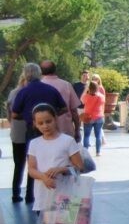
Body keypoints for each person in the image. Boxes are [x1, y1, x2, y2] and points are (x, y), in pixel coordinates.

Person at [26, 104, 84, 224]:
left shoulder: (67, 141)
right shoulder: (35, 144)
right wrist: (43, 177)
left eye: (48, 121)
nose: (45, 126)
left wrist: (61, 169)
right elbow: (32, 169)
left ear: (55, 119)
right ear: (35, 124)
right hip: (43, 194)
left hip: (63, 193)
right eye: (41, 123)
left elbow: (79, 166)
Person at [11, 63, 67, 200]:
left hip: (33, 131)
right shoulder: (50, 89)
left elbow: (14, 113)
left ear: (25, 75)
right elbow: (64, 108)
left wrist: (32, 119)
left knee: (33, 163)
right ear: (39, 73)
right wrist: (51, 118)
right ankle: (55, 191)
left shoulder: (23, 92)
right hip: (53, 132)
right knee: (54, 160)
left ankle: (30, 195)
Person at [40, 60, 81, 140]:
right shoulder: (66, 85)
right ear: (55, 69)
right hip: (65, 131)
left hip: (44, 132)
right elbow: (74, 111)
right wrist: (77, 130)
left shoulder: (38, 86)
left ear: (41, 71)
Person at [7, 73, 30, 202]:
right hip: (26, 130)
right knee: (31, 164)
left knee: (19, 165)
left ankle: (16, 193)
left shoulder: (13, 93)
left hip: (17, 132)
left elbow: (10, 111)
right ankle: (29, 194)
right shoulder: (27, 93)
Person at [81, 81, 106, 156]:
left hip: (88, 117)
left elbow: (81, 100)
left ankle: (85, 152)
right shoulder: (101, 96)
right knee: (98, 135)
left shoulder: (86, 96)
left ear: (89, 88)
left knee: (86, 135)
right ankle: (98, 152)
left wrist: (86, 89)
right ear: (97, 88)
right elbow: (103, 104)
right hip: (99, 117)